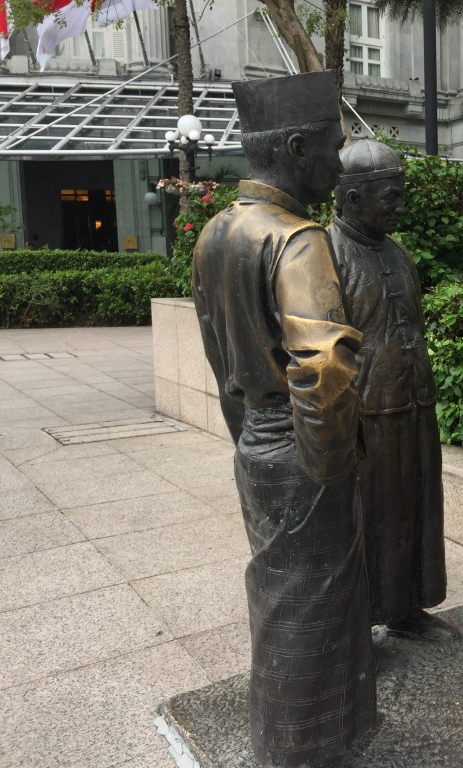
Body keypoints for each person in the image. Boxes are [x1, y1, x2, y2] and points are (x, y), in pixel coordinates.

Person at [190, 72, 377, 767]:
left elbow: (219, 356)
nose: (339, 161)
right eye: (332, 145)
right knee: (310, 607)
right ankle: (301, 751)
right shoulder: (298, 240)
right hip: (304, 450)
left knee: (283, 599)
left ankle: (302, 743)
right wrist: (329, 465)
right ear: (297, 149)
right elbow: (323, 368)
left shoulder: (216, 231)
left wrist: (250, 437)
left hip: (259, 440)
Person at [328, 140, 457, 641]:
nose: (401, 206)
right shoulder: (326, 255)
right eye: (391, 197)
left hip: (413, 402)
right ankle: (358, 623)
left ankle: (406, 607)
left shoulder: (395, 249)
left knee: (416, 508)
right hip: (365, 413)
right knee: (371, 515)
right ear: (353, 197)